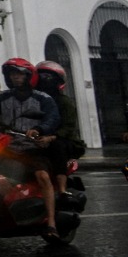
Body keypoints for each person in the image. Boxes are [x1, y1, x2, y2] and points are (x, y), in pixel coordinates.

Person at [0, 58, 62, 238]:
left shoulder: (43, 98)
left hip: (33, 147)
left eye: (19, 74)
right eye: (12, 74)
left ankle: (51, 223)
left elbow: (53, 118)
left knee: (42, 176)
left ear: (29, 76)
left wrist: (39, 129)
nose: (15, 77)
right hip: (7, 145)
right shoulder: (2, 97)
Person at [35, 61, 84, 198]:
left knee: (57, 147)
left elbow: (68, 127)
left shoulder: (64, 102)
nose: (45, 81)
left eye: (49, 77)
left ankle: (62, 188)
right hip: (41, 136)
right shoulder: (34, 100)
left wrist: (51, 137)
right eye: (42, 77)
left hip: (64, 139)